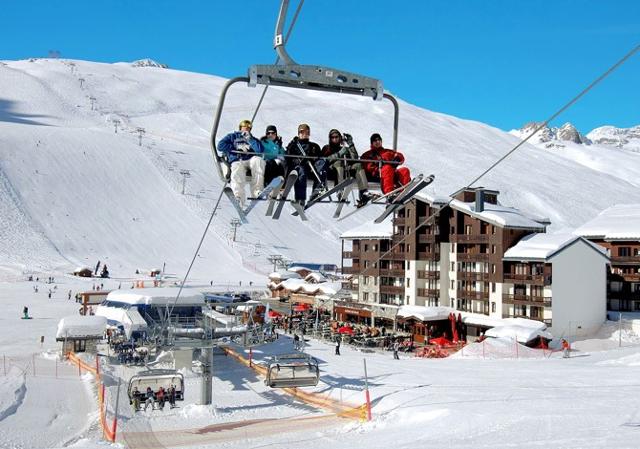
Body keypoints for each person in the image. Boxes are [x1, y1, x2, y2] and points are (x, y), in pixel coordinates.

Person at [218, 119, 266, 207]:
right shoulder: (232, 136)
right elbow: (220, 145)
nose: (246, 129)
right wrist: (235, 148)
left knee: (259, 160)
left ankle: (257, 191)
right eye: (245, 127)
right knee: (236, 169)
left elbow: (260, 150)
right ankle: (238, 197)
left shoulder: (252, 139)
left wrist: (250, 139)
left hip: (249, 160)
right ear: (240, 127)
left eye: (249, 128)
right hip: (237, 159)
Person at [321, 129, 374, 208]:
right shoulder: (327, 148)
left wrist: (351, 144)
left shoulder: (344, 148)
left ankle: (363, 192)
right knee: (339, 162)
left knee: (358, 165)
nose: (335, 139)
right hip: (332, 170)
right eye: (333, 137)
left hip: (346, 170)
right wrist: (339, 154)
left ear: (340, 138)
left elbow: (355, 158)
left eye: (337, 137)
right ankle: (340, 190)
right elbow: (324, 160)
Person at [285, 123, 327, 205]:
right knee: (301, 171)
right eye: (302, 132)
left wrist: (315, 160)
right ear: (298, 133)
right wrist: (297, 161)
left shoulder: (314, 146)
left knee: (322, 163)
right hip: (299, 168)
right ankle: (300, 199)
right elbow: (288, 157)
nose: (304, 134)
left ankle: (317, 190)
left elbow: (320, 157)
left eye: (307, 132)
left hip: (311, 169)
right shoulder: (294, 145)